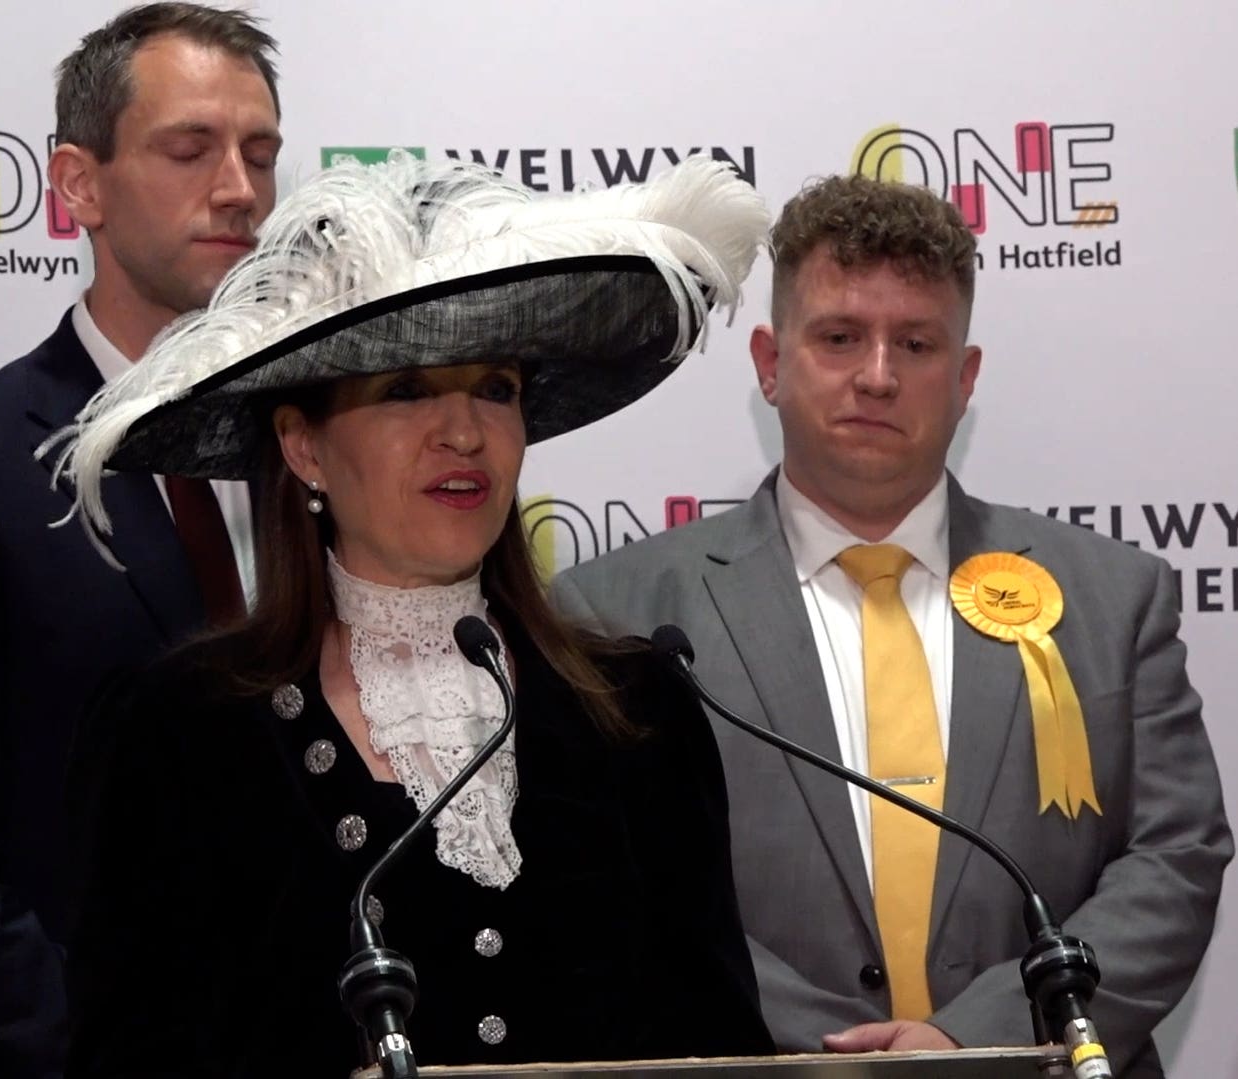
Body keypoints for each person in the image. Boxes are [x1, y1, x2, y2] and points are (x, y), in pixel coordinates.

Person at [49, 150, 777, 1076]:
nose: (465, 431)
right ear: (303, 445)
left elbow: (720, 1048)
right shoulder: (181, 732)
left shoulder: (640, 713)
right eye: (405, 391)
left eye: (496, 389)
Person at [552, 174, 1231, 1075]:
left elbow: (1176, 855)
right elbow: (616, 888)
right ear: (768, 360)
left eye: (915, 342)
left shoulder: (1115, 596)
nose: (877, 375)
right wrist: (836, 1054)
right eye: (839, 337)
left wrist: (984, 1028)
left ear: (965, 375)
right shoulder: (618, 613)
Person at [0, 6, 281, 1076]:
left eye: (260, 152)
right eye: (191, 149)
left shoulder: (321, 447)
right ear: (79, 185)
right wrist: (117, 1047)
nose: (238, 188)